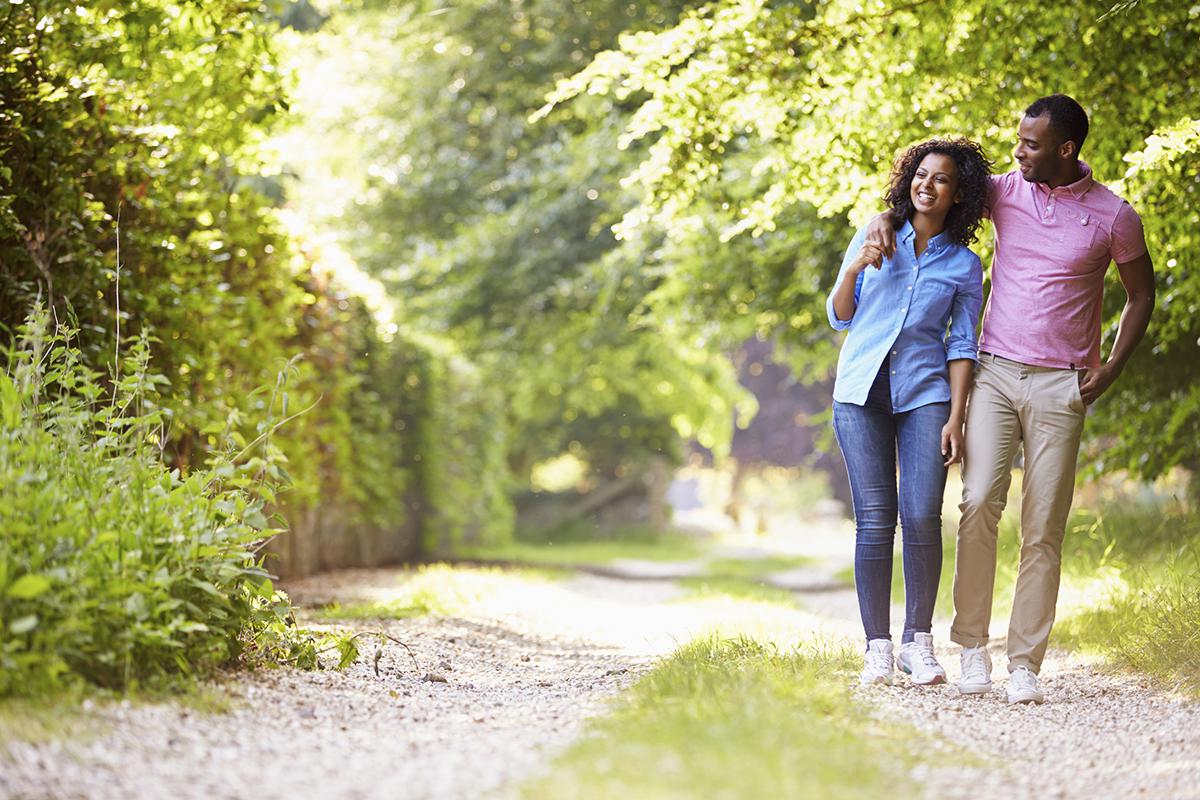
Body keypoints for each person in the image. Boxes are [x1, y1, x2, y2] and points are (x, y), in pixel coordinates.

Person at [863, 94, 1155, 704]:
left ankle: (1024, 662)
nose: (1017, 151)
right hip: (994, 371)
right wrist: (878, 221)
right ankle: (971, 648)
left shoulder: (1113, 217)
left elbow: (1140, 296)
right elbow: (928, 193)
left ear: (1065, 149)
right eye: (1018, 141)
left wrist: (1111, 368)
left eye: (1030, 144)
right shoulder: (1001, 191)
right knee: (976, 505)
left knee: (1044, 525)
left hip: (1062, 382)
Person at [826, 138, 990, 687]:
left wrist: (957, 416)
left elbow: (962, 343)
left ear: (957, 193)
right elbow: (839, 315)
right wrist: (855, 268)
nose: (928, 184)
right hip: (860, 393)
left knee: (921, 516)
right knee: (875, 522)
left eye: (941, 178)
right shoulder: (876, 233)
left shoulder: (967, 266)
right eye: (921, 174)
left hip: (925, 395)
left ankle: (918, 643)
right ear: (908, 180)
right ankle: (877, 646)